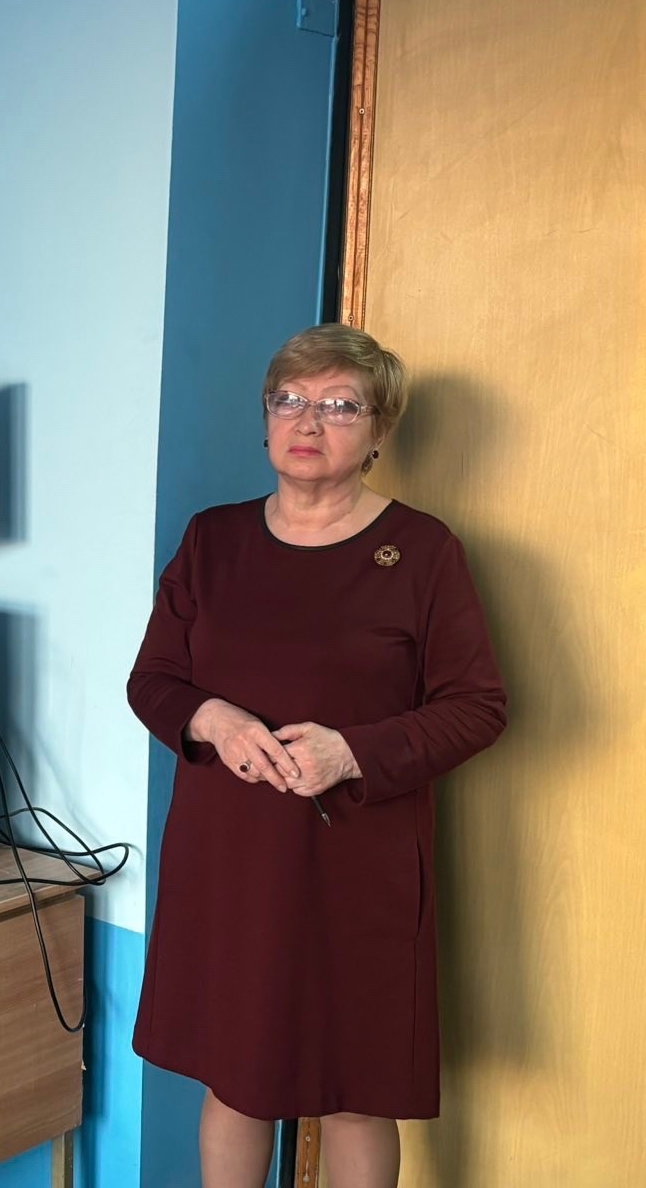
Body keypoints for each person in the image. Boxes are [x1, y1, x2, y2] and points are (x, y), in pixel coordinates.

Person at [127, 323, 506, 1188]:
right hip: (231, 858)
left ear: (378, 434)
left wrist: (353, 753)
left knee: (355, 1091)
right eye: (290, 400)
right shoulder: (213, 540)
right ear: (265, 418)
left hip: (357, 862)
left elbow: (478, 707)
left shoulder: (424, 551)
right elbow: (154, 681)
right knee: (236, 1079)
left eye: (340, 406)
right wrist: (214, 719)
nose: (308, 421)